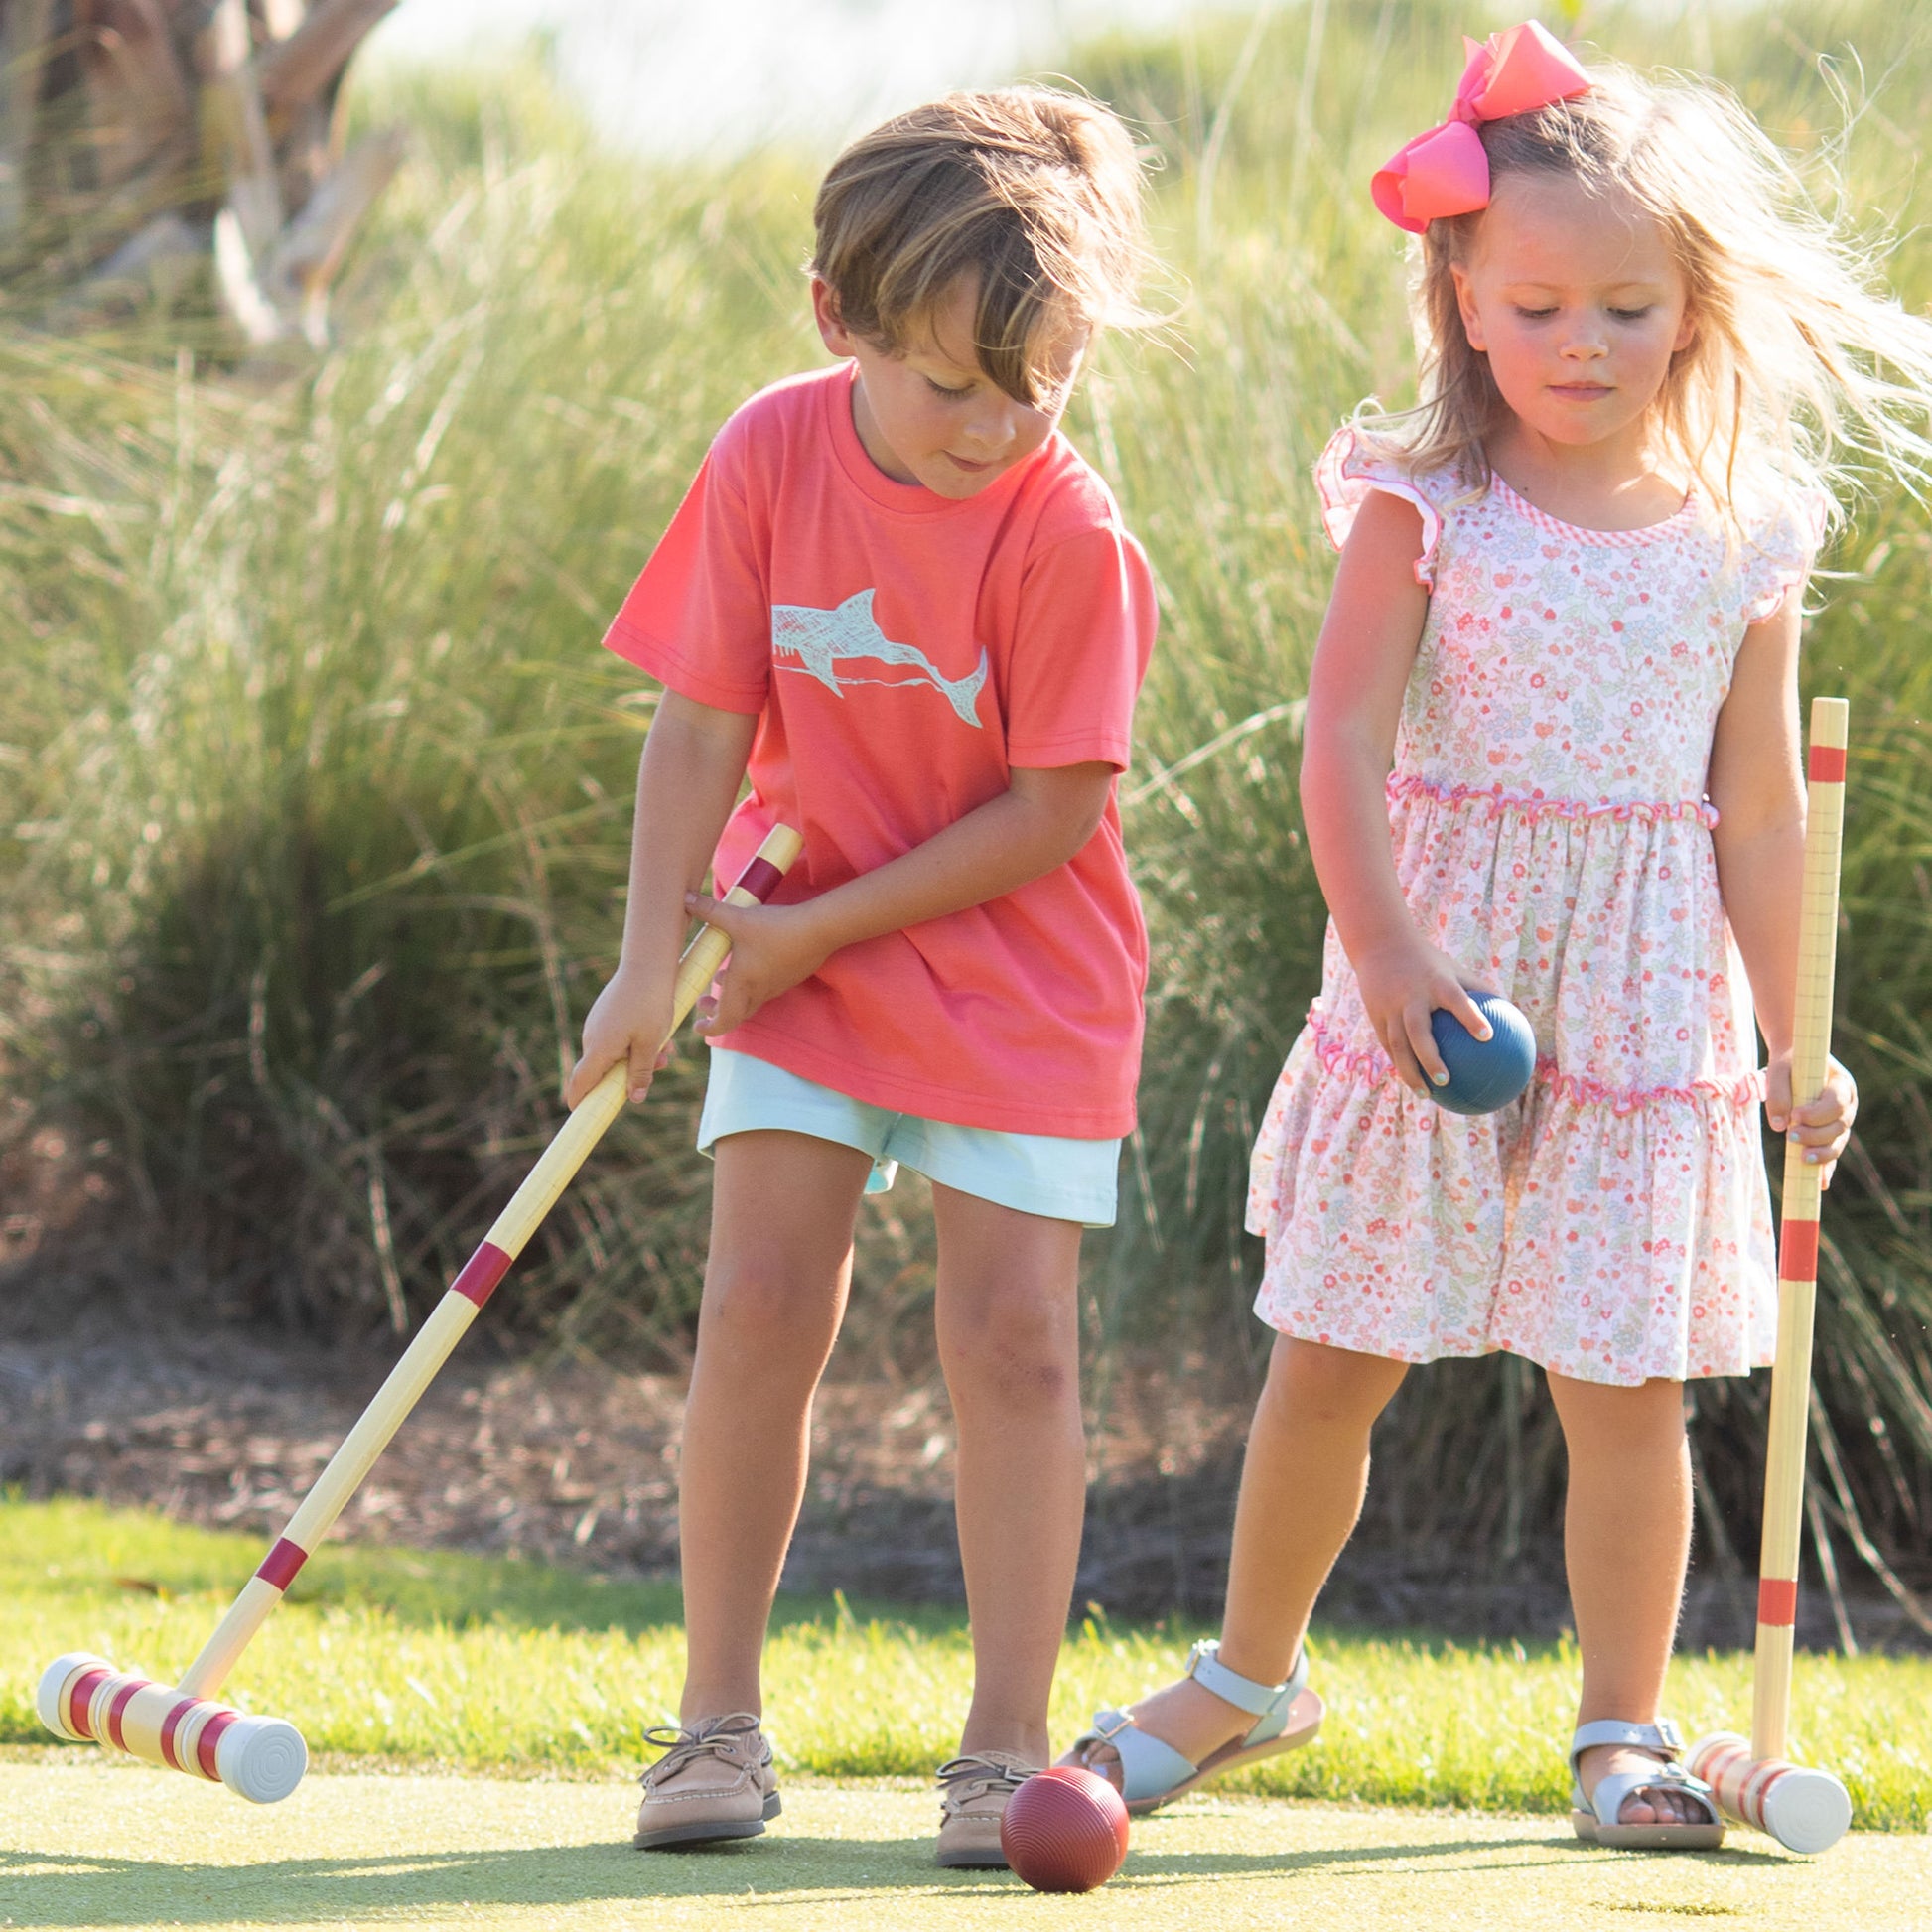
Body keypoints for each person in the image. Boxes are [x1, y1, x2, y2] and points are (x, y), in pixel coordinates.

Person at [1063, 19, 1932, 1847]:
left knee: (1623, 1388)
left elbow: (1758, 807)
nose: (1578, 345)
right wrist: (1380, 948)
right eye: (1535, 305)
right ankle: (1247, 1674)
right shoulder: (1421, 496)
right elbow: (1344, 737)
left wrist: (1794, 1038)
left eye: (1623, 307)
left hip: (1639, 1003)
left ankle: (1620, 1726)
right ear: (1459, 291)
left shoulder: (1742, 528)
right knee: (1333, 1353)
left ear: (1688, 306)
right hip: (1436, 976)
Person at [565, 88, 1159, 1865]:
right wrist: (643, 959)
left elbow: (1054, 811)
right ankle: (716, 1724)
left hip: (1015, 971)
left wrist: (817, 926)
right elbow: (699, 720)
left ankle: (1002, 1746)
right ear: (838, 317)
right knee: (756, 1306)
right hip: (790, 947)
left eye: (1031, 383)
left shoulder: (1062, 528)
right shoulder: (767, 453)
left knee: (1010, 1346)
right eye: (949, 384)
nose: (991, 426)